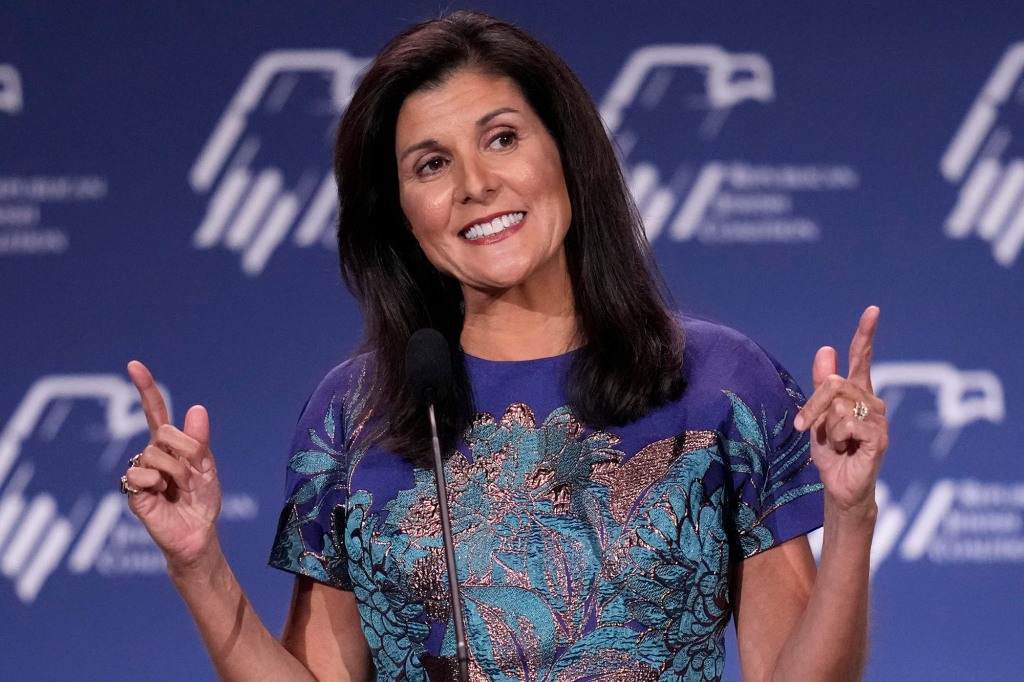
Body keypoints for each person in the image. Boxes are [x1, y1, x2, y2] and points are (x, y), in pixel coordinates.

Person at [121, 10, 888, 682]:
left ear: (565, 154)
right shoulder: (357, 413)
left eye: (502, 138)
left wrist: (851, 518)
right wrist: (199, 565)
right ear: (403, 214)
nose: (476, 184)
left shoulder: (717, 383)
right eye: (432, 164)